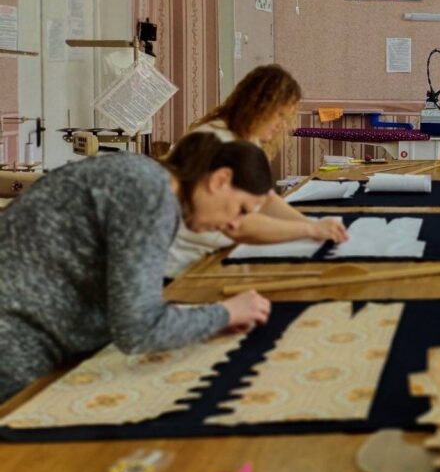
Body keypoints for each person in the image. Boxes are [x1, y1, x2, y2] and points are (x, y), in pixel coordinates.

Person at [0, 133, 274, 403]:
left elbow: (129, 308)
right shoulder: (152, 196)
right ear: (220, 180)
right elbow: (138, 329)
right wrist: (226, 313)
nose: (235, 224)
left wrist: (199, 319)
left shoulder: (144, 178)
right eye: (241, 209)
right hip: (16, 344)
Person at [166, 65, 346, 278]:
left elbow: (266, 200)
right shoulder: (215, 141)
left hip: (210, 254)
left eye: (286, 118)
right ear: (258, 106)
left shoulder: (248, 139)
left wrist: (313, 225)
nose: (281, 125)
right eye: (279, 115)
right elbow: (239, 225)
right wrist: (310, 230)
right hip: (181, 264)